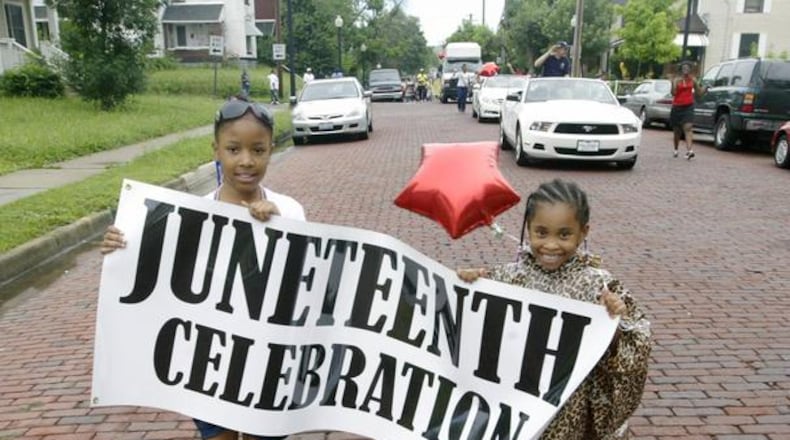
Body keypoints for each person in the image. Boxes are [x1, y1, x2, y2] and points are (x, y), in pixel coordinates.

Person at [101, 96, 305, 440]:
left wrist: (278, 223)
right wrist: (121, 247)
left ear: (271, 150)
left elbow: (303, 281)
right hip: (209, 362)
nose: (246, 160)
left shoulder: (289, 209)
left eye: (258, 150)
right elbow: (156, 274)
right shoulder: (189, 215)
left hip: (266, 363)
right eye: (233, 149)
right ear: (216, 150)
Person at [457, 178, 652, 440]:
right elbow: (472, 320)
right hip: (516, 407)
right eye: (541, 233)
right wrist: (471, 282)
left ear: (583, 232)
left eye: (564, 234)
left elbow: (637, 343)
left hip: (568, 410)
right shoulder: (509, 277)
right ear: (528, 229)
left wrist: (614, 323)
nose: (550, 245)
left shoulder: (598, 284)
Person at [670, 61, 705, 160]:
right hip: (677, 107)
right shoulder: (676, 80)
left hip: (688, 106)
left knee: (688, 127)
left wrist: (705, 88)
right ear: (681, 70)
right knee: (677, 131)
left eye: (688, 68)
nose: (686, 70)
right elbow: (673, 93)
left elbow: (699, 93)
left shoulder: (693, 80)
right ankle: (676, 149)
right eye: (684, 68)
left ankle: (690, 151)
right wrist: (673, 83)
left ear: (690, 70)